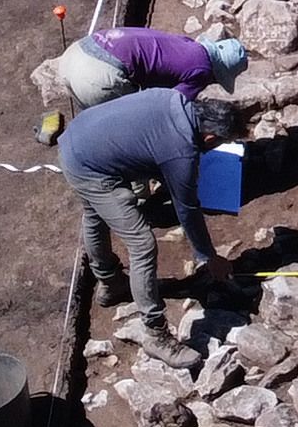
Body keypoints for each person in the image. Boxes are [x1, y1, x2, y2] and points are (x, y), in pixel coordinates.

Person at [58, 79, 227, 345]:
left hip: (79, 137)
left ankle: (111, 284)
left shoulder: (172, 98)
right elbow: (187, 209)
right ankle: (156, 334)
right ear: (210, 137)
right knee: (142, 244)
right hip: (89, 168)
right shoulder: (181, 151)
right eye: (218, 145)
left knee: (94, 214)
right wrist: (209, 257)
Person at [37, 26, 245, 139]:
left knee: (98, 120)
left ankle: (75, 145)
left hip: (79, 51)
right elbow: (170, 108)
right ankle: (137, 188)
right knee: (132, 131)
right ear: (219, 72)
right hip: (98, 75)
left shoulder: (189, 44)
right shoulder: (203, 69)